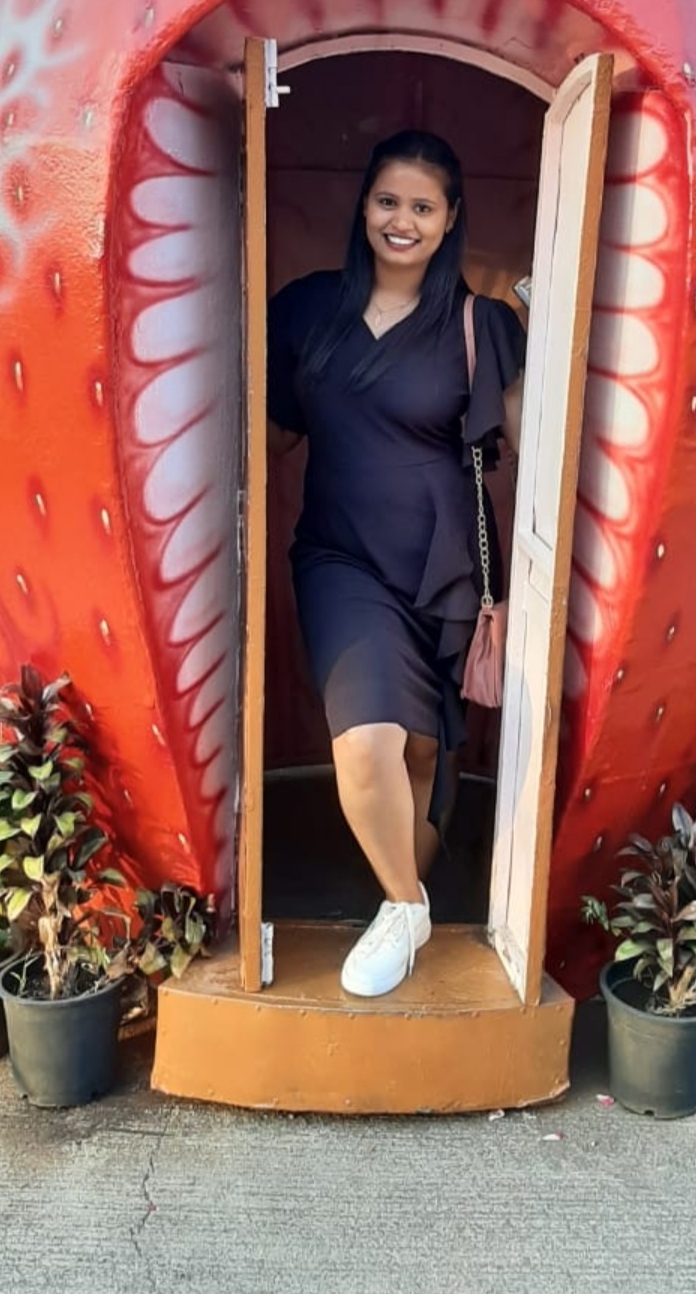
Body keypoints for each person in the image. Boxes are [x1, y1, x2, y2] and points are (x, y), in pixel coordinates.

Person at [267, 130, 525, 998]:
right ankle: (408, 907)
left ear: (450, 218)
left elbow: (535, 441)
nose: (401, 220)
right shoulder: (309, 308)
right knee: (369, 738)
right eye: (388, 200)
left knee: (418, 754)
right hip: (339, 558)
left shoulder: (481, 324)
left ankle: (402, 881)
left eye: (422, 205)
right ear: (364, 205)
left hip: (442, 569)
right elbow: (266, 431)